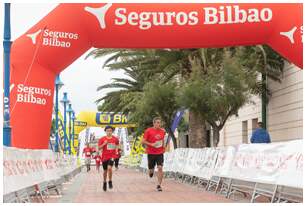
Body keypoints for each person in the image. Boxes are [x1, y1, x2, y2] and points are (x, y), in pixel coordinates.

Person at [141, 117, 166, 192]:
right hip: (151, 153)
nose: (159, 124)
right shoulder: (148, 131)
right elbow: (143, 141)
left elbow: (163, 140)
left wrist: (164, 147)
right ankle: (151, 173)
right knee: (151, 170)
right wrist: (152, 144)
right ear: (154, 123)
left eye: (160, 122)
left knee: (160, 168)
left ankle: (159, 185)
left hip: (159, 153)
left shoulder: (162, 131)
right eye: (157, 122)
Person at [98, 125, 119, 192]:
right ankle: (104, 182)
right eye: (107, 131)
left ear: (112, 131)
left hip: (112, 156)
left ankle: (110, 181)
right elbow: (99, 148)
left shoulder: (115, 139)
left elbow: (117, 145)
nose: (109, 132)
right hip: (104, 157)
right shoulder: (102, 139)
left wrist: (117, 150)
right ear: (105, 131)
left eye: (110, 131)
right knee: (105, 171)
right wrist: (104, 144)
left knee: (109, 168)